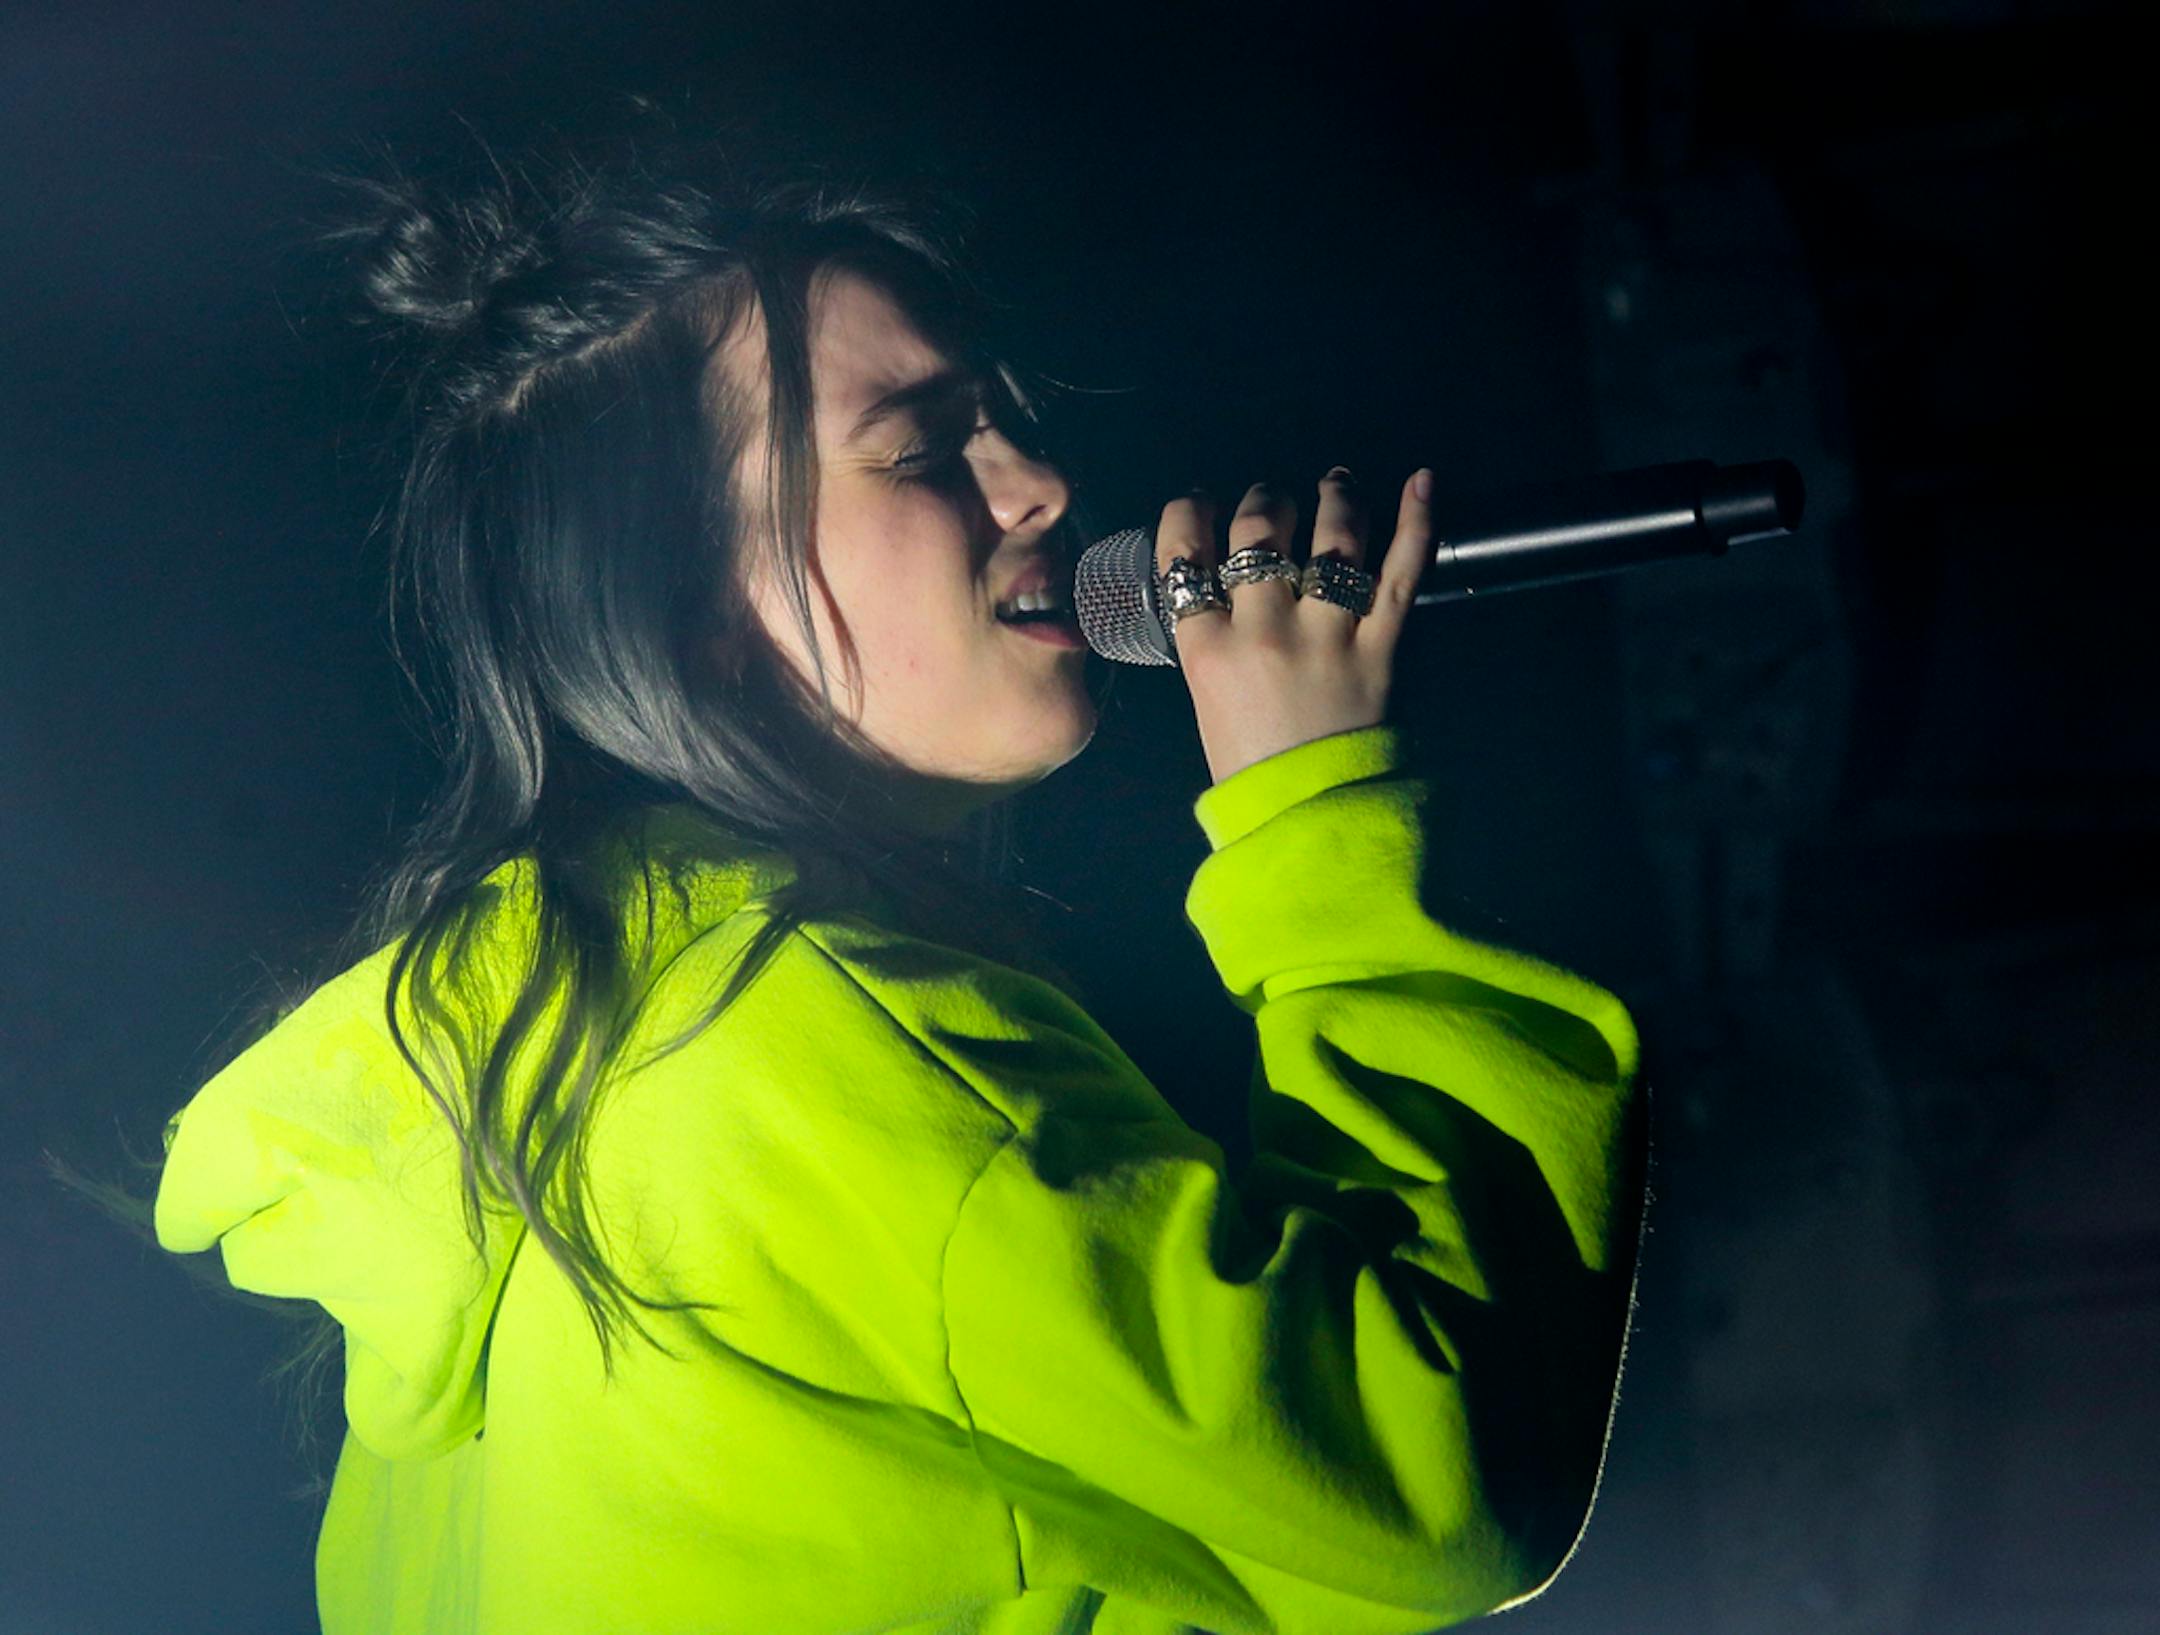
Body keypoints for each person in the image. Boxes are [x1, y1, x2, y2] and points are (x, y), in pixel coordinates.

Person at [151, 142, 1646, 1635]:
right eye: (924, 451)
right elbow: (1440, 1471)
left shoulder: (532, 1094)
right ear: (692, 607)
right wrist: (1319, 814)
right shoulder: (801, 1051)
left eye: (1006, 427)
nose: (1044, 486)